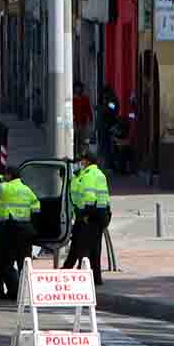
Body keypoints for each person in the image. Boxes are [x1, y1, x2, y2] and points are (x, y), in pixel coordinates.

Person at [64, 150, 111, 286]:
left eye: (82, 160)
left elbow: (89, 198)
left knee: (84, 248)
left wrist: (85, 215)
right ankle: (95, 277)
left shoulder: (88, 175)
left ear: (87, 161)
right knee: (94, 247)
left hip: (90, 215)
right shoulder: (97, 173)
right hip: (100, 214)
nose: (80, 162)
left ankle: (84, 276)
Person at [0, 166, 41, 300]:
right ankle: (24, 292)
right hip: (25, 231)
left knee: (5, 263)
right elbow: (37, 207)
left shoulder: (5, 188)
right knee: (24, 263)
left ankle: (14, 290)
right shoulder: (27, 190)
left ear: (9, 175)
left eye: (5, 175)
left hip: (9, 231)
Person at [73, 82, 94, 155]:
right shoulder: (73, 99)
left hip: (83, 122)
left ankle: (83, 154)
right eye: (77, 88)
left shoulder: (85, 99)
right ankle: (76, 153)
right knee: (76, 139)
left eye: (79, 88)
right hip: (75, 122)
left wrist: (91, 119)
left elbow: (88, 110)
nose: (78, 89)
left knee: (83, 139)